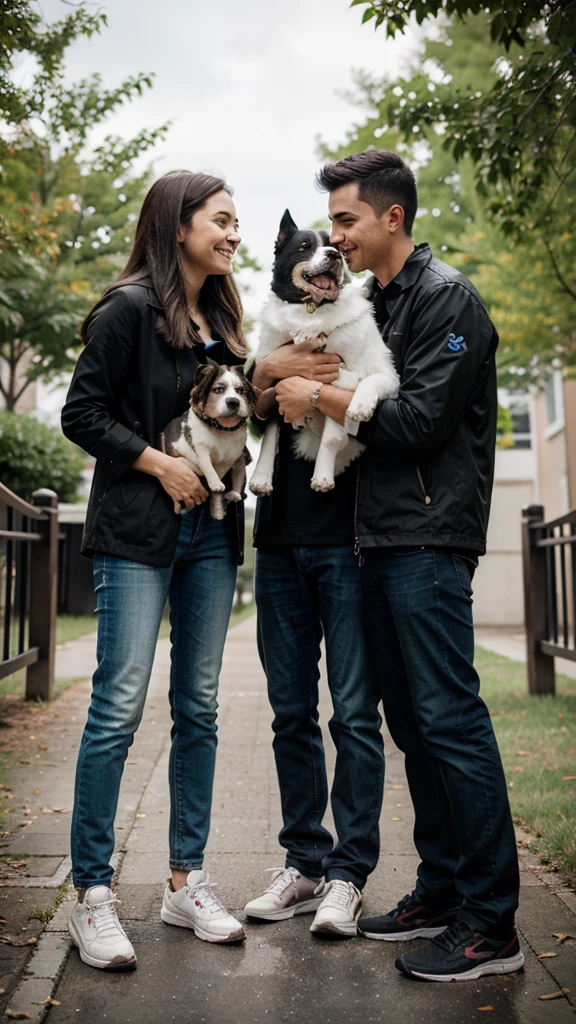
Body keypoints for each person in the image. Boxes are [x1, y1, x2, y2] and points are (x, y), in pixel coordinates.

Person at [274, 149, 523, 981]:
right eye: (331, 224)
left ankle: (492, 926)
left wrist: (323, 399)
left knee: (452, 723)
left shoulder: (448, 298)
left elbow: (417, 422)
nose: (335, 239)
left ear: (392, 218)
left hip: (427, 539)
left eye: (345, 221)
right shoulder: (371, 299)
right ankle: (442, 890)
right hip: (374, 540)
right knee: (414, 729)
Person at [61, 171, 249, 971]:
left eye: (237, 221)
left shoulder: (222, 319)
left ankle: (185, 880)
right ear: (178, 226)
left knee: (199, 706)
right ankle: (92, 896)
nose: (235, 233)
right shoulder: (129, 308)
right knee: (118, 705)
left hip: (210, 537)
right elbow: (82, 412)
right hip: (136, 533)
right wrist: (154, 465)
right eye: (222, 219)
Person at [242, 264, 385, 937]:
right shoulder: (274, 328)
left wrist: (304, 382)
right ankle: (303, 862)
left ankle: (347, 875)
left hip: (348, 540)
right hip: (277, 542)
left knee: (355, 713)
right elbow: (255, 410)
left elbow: (375, 397)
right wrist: (269, 376)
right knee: (289, 713)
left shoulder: (360, 319)